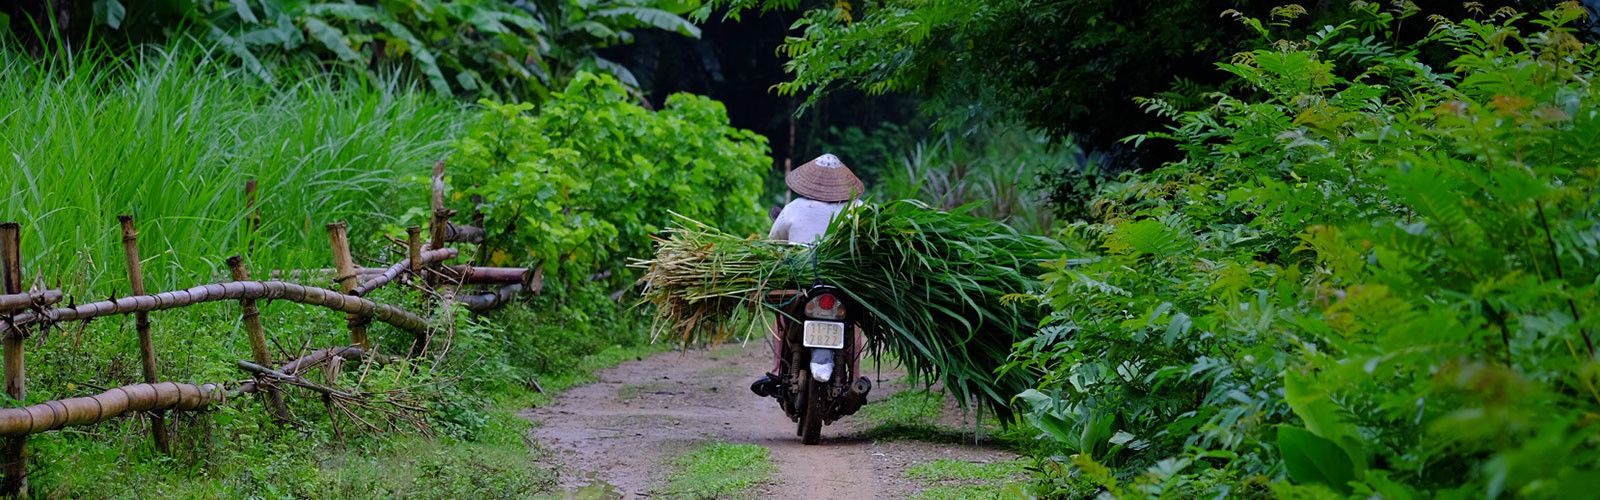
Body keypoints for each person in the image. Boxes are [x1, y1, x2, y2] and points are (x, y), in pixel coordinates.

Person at [751, 153, 869, 397]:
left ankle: (775, 369)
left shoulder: (793, 208)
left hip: (801, 285)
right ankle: (856, 378)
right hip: (842, 284)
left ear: (810, 182)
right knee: (853, 325)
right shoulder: (858, 210)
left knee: (782, 320)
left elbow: (775, 244)